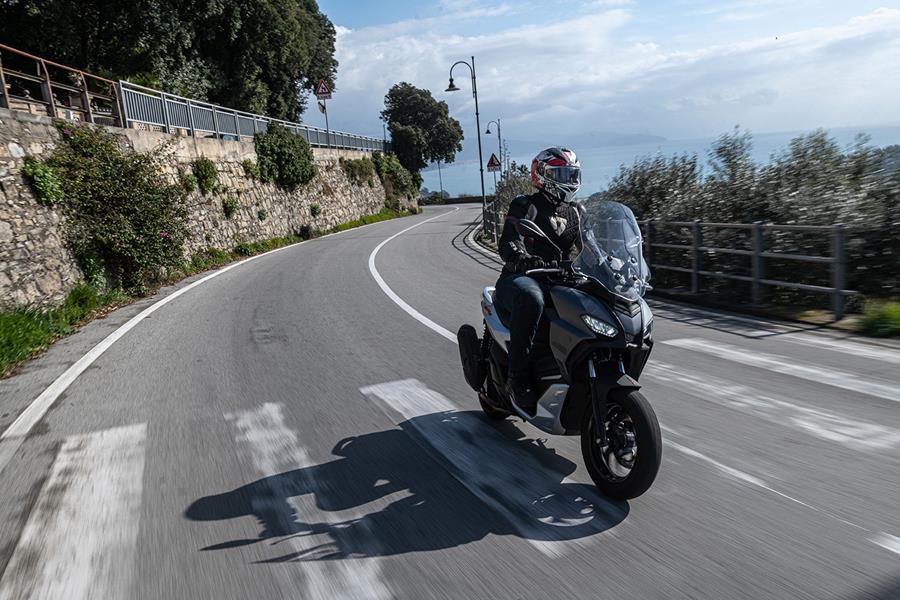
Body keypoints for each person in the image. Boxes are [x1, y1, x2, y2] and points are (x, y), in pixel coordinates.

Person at [494, 147, 583, 417]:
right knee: (532, 298)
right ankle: (517, 380)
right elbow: (510, 238)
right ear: (542, 175)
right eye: (561, 173)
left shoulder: (575, 212)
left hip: (559, 279)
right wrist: (522, 257)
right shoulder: (525, 204)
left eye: (571, 173)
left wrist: (610, 261)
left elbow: (590, 246)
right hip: (521, 277)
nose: (567, 178)